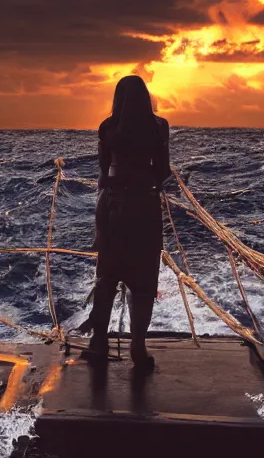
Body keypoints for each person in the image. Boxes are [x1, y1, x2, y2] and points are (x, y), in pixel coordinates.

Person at [79, 75, 171, 373]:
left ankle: (99, 343)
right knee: (143, 279)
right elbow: (164, 170)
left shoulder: (107, 128)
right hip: (144, 206)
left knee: (107, 274)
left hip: (113, 207)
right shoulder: (159, 127)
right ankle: (138, 347)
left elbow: (104, 171)